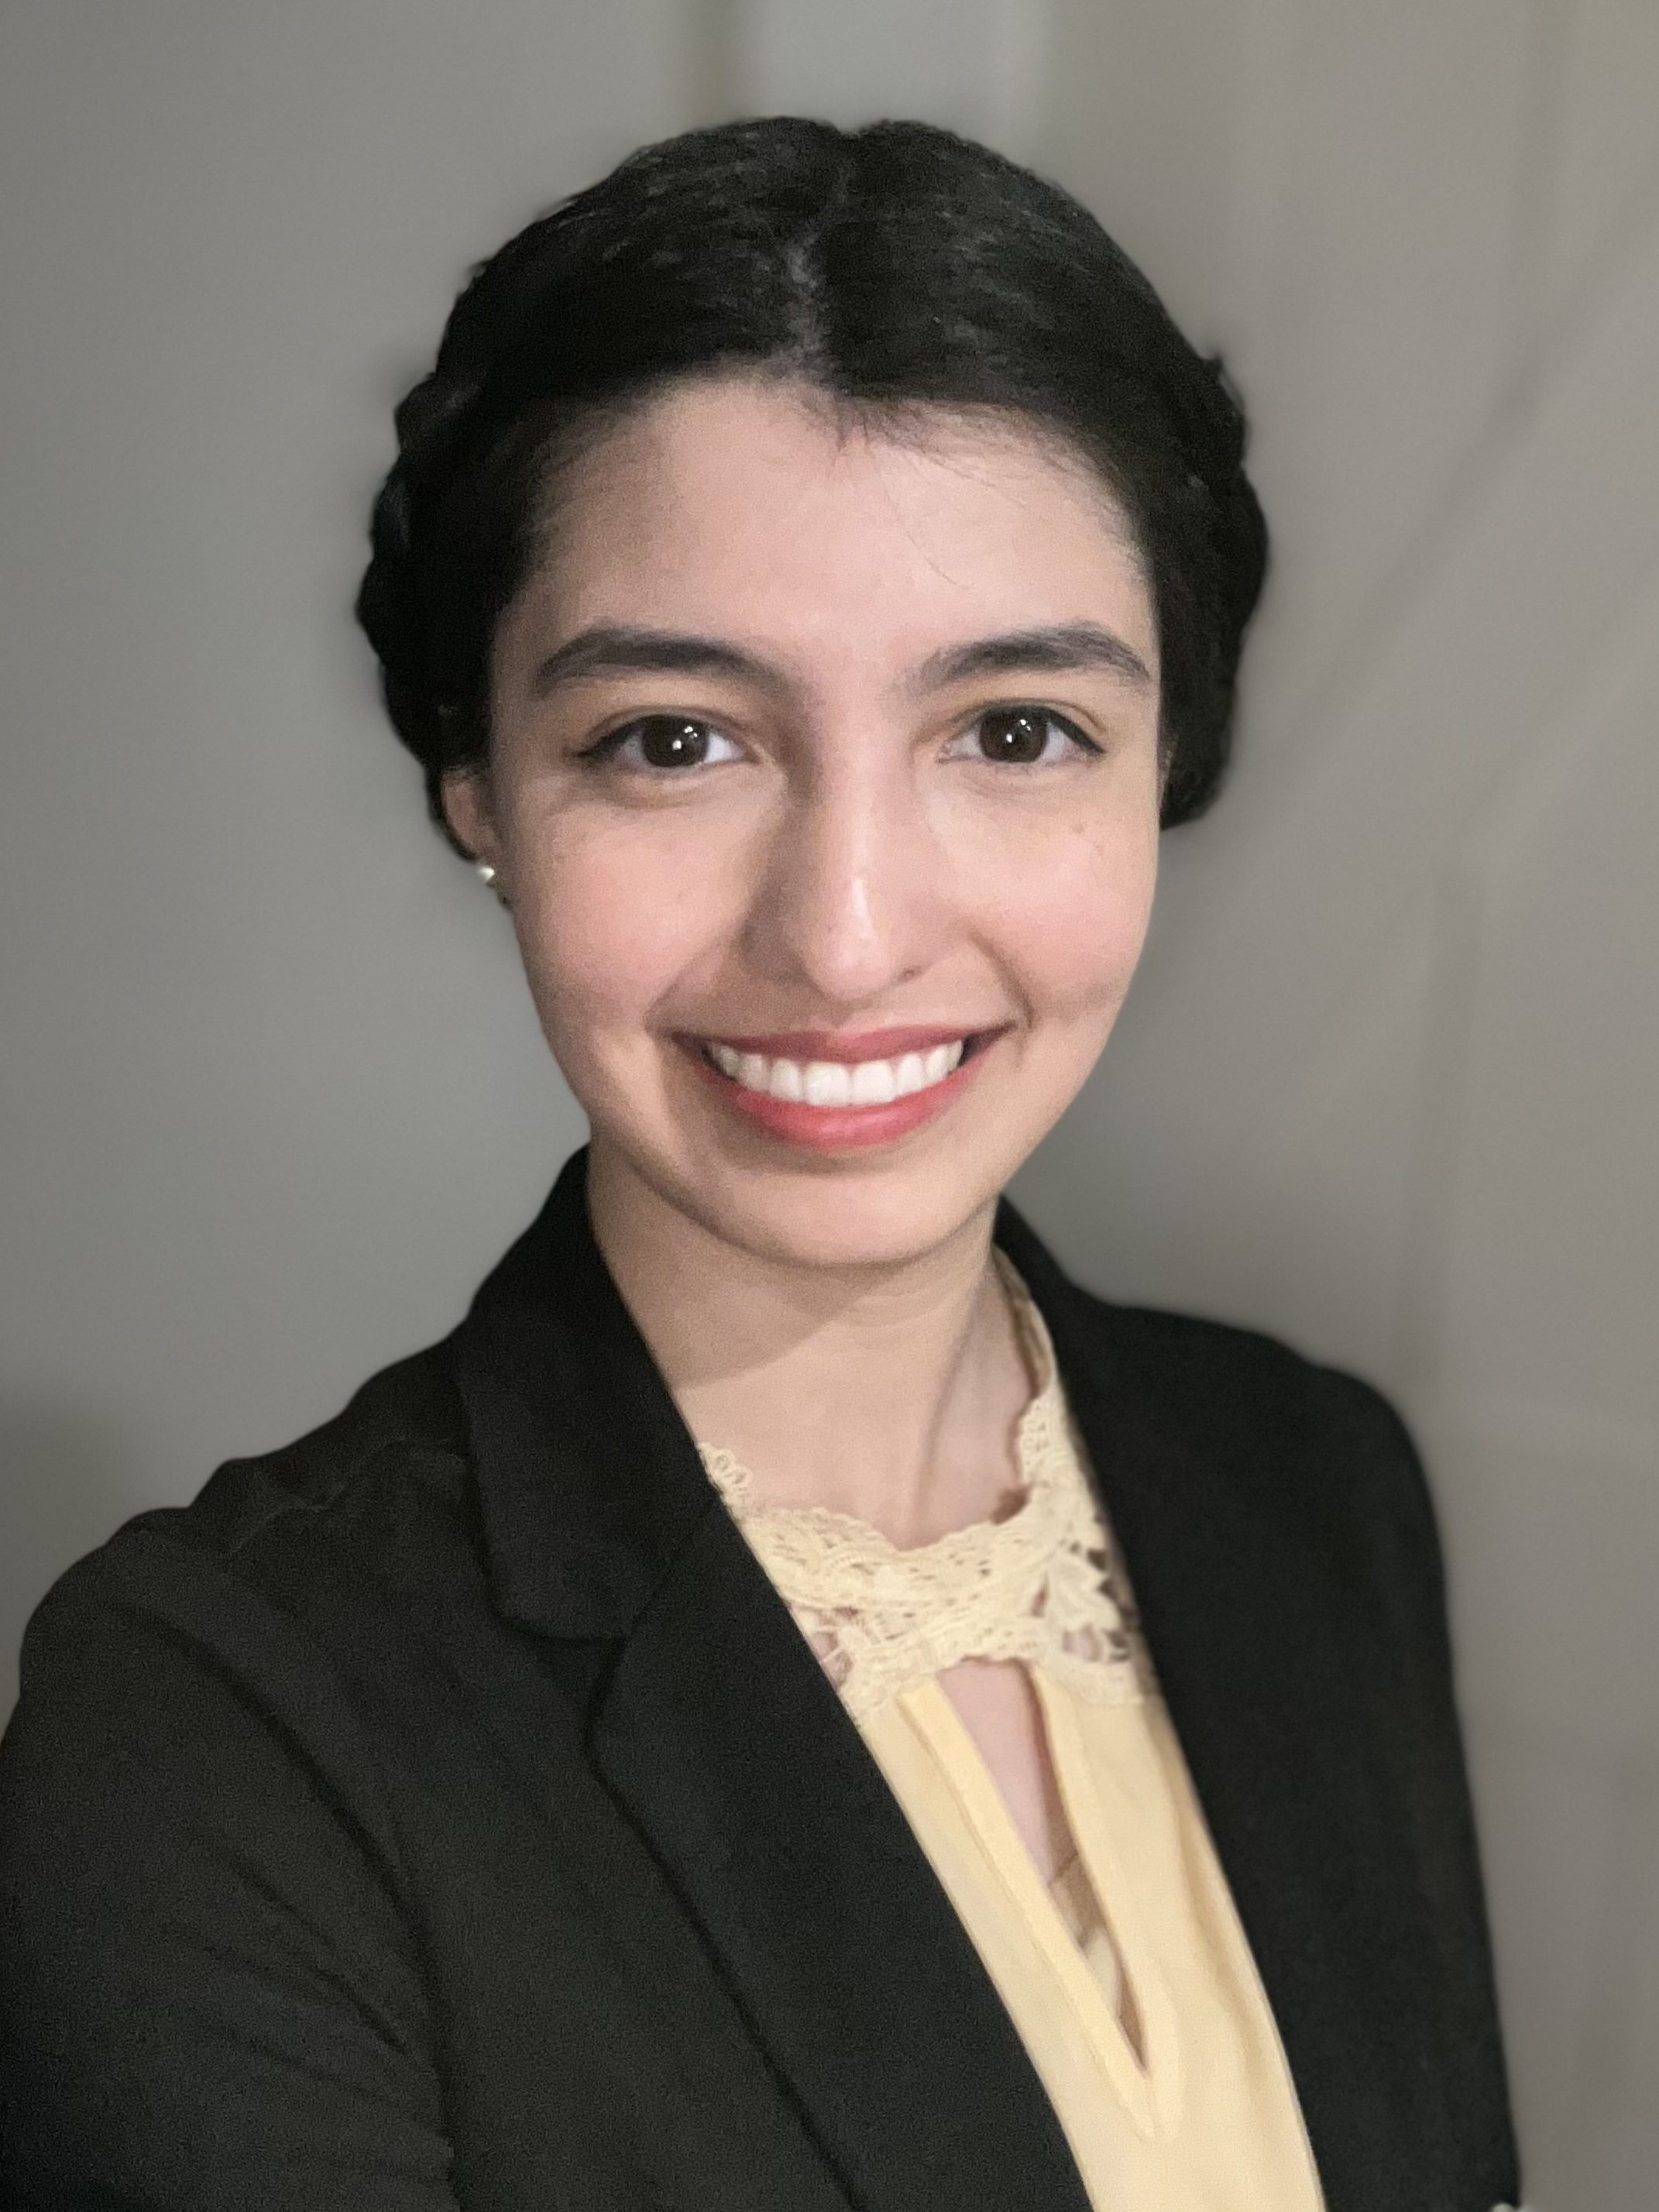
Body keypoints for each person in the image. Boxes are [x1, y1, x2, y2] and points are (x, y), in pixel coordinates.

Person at [0, 118, 1521, 2211]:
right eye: (674, 740)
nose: (848, 937)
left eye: (1015, 731)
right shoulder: (216, 1734)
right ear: (477, 787)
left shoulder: (1321, 1484)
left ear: (1167, 757)